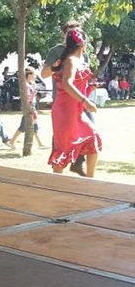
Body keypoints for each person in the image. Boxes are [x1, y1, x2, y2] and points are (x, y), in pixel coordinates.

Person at [48, 28, 101, 176]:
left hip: (76, 110)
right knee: (63, 149)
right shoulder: (71, 60)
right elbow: (67, 84)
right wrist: (86, 101)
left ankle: (90, 181)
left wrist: (89, 88)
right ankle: (56, 184)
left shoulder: (79, 61)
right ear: (83, 44)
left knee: (93, 139)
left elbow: (75, 89)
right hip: (65, 112)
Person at [41, 20, 91, 176]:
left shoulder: (83, 52)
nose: (75, 36)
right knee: (62, 140)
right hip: (63, 103)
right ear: (64, 35)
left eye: (77, 33)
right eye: (70, 33)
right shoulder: (56, 51)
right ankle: (58, 173)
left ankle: (78, 163)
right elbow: (44, 74)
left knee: (89, 133)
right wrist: (55, 66)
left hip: (80, 103)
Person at [8, 67, 48, 149]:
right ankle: (12, 141)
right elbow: (27, 97)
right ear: (29, 75)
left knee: (34, 125)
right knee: (23, 126)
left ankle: (40, 143)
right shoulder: (25, 86)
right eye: (34, 74)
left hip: (32, 105)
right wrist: (30, 105)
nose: (35, 76)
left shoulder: (31, 84)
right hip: (29, 106)